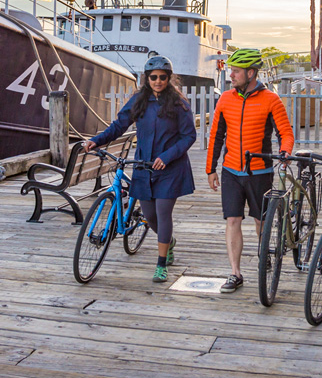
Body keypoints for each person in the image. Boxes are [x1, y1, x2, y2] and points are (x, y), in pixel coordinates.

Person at [84, 55, 196, 283]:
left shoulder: (179, 104)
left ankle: (161, 264)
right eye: (153, 77)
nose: (158, 81)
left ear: (169, 78)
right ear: (147, 78)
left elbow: (189, 136)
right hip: (143, 166)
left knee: (163, 213)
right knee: (149, 215)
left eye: (163, 77)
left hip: (170, 168)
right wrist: (97, 140)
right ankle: (169, 241)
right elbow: (119, 125)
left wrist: (167, 156)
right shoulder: (138, 101)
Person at [205, 48, 294, 293]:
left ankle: (263, 250)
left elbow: (285, 132)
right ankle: (235, 273)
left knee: (261, 220)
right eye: (231, 70)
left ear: (251, 73)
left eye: (236, 71)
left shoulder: (270, 99)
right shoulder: (225, 98)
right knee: (232, 218)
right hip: (231, 171)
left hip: (260, 172)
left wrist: (285, 152)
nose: (231, 75)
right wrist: (210, 169)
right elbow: (216, 136)